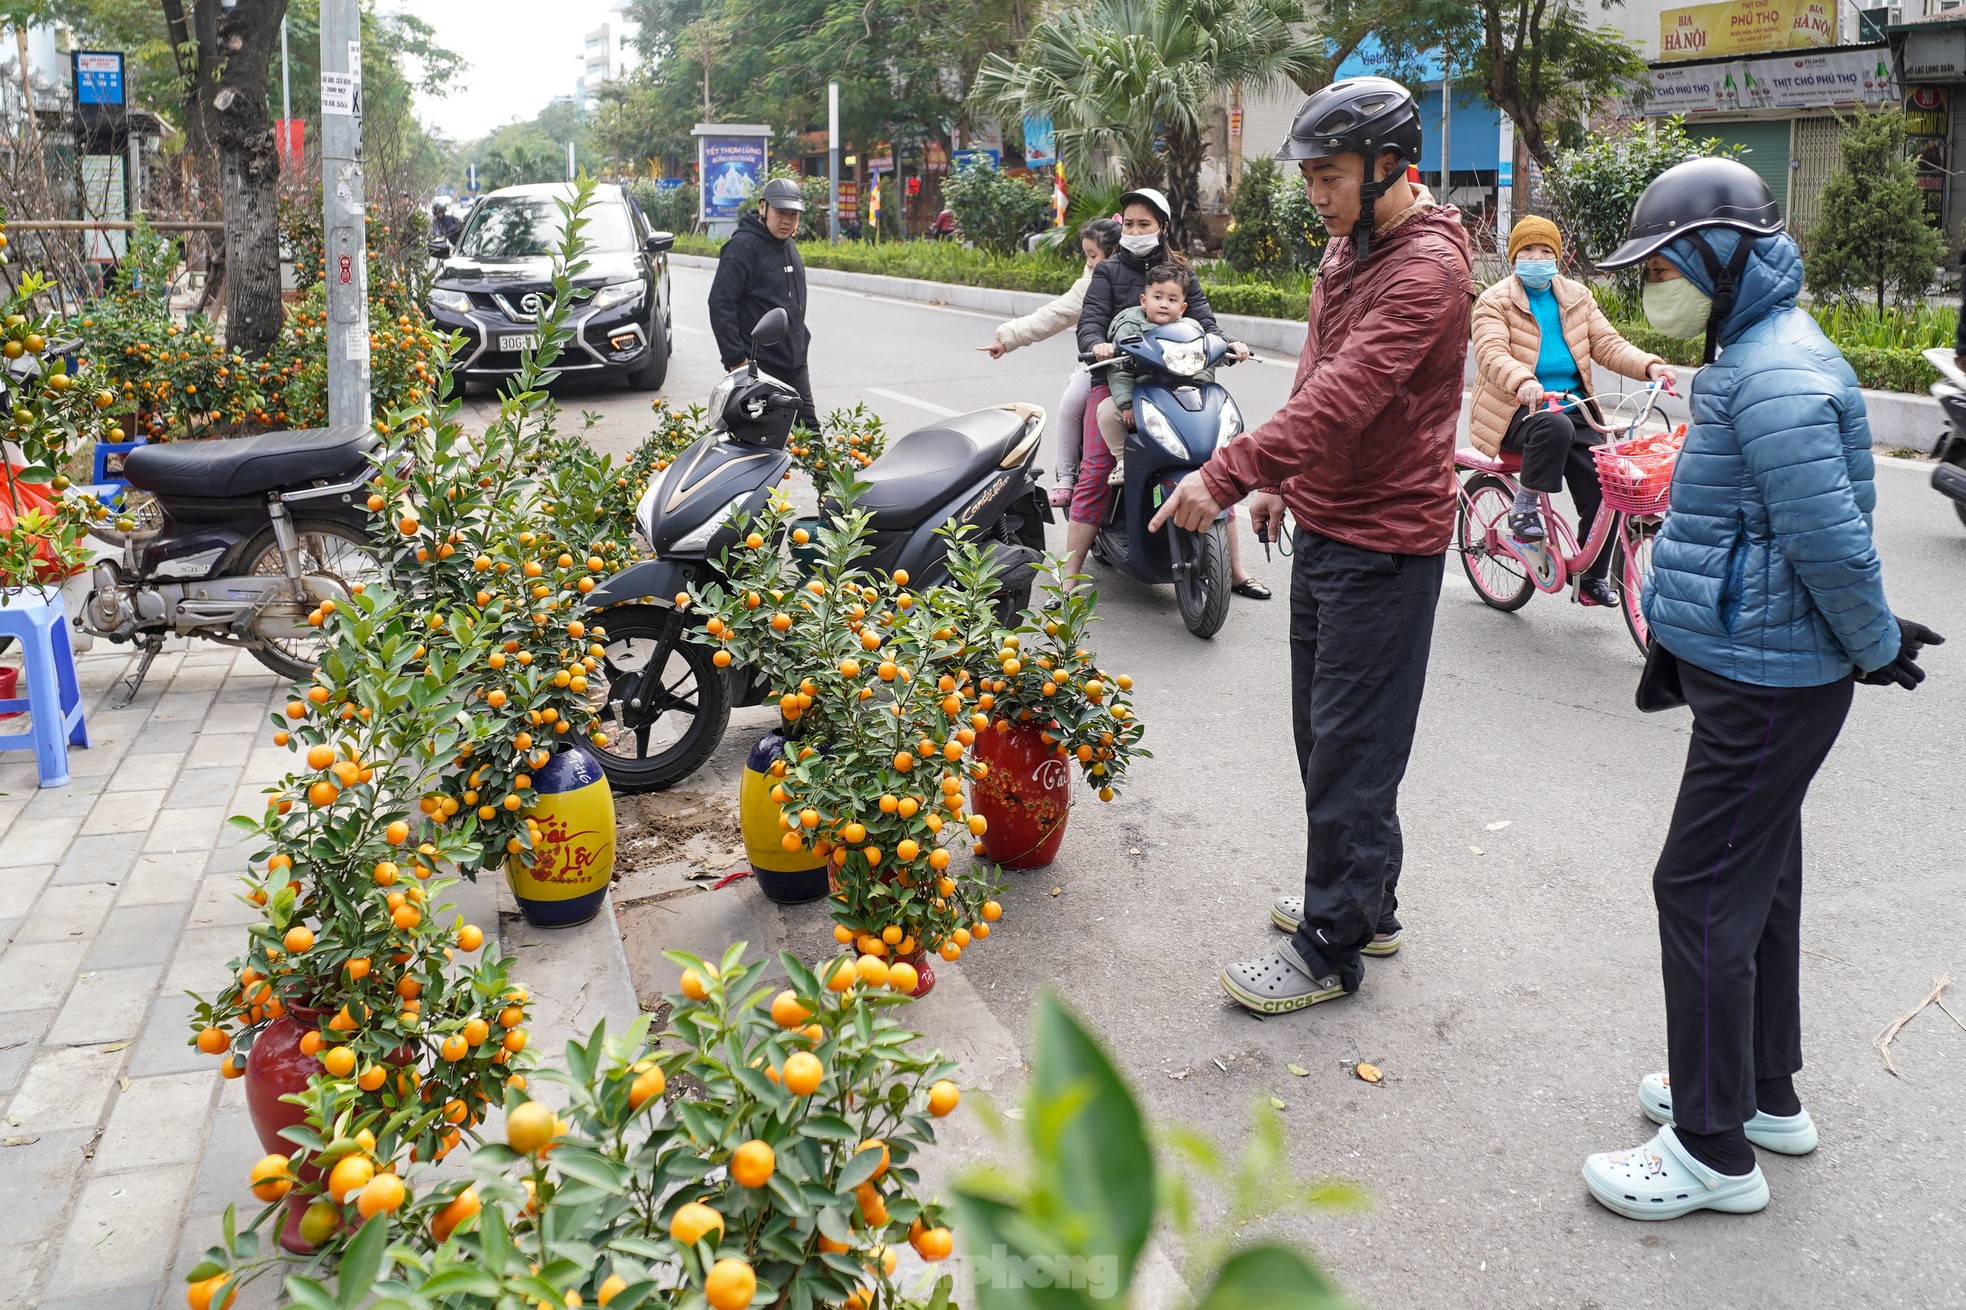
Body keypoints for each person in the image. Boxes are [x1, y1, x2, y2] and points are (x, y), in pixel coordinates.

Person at [1581, 156, 1943, 1221]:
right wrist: (1864, 639)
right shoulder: (1754, 349)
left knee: (1694, 889)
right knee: (1760, 881)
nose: (1654, 288)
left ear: (1726, 256)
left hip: (1769, 679)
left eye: (1664, 266)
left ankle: (1707, 1149)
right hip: (1765, 668)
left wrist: (1872, 641)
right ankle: (1761, 1093)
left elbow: (1827, 536)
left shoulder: (1771, 369)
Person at [1149, 76, 1474, 1013]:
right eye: (1310, 176)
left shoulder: (1426, 272)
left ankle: (1330, 948)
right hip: (1330, 522)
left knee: (1351, 751)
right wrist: (1283, 482)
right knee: (1327, 741)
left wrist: (1228, 472)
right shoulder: (1348, 249)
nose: (1314, 193)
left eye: (1328, 176)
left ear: (1388, 168)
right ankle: (1367, 904)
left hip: (1387, 541)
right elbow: (1315, 375)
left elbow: (1349, 395)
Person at [1067, 188, 1266, 599]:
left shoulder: (1182, 272)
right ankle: (1068, 578)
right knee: (1096, 471)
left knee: (1213, 464)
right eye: (1130, 224)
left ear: (1162, 227)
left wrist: (1230, 344)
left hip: (1177, 383)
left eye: (1145, 224)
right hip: (1117, 381)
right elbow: (1090, 322)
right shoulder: (1108, 272)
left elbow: (1206, 322)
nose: (1136, 231)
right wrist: (1098, 345)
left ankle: (1237, 572)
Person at [1468, 215, 1675, 607]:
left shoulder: (1577, 296)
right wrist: (1522, 380)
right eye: (1527, 250)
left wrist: (1650, 365)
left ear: (1558, 257)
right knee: (1555, 426)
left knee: (1609, 488)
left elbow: (1608, 344)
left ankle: (1592, 575)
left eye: (1545, 250)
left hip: (1574, 407)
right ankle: (1524, 508)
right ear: (1514, 256)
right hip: (1516, 408)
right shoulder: (1494, 301)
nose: (1536, 257)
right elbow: (1491, 352)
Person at [977, 219, 1121, 505]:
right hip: (1097, 365)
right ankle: (1067, 478)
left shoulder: (1147, 272)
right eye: (1087, 256)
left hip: (1144, 363)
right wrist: (1008, 338)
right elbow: (1052, 316)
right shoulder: (1088, 285)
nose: (1090, 262)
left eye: (1093, 255)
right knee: (1070, 404)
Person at [1095, 263, 1229, 485]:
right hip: (1142, 394)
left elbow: (1205, 361)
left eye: (1172, 300)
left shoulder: (1192, 329)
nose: (1164, 304)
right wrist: (1126, 402)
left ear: (1183, 307)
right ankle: (1122, 461)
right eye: (1158, 297)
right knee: (1106, 411)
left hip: (1180, 396)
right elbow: (1119, 370)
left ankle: (1210, 462)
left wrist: (1203, 389)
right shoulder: (1129, 326)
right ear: (1144, 301)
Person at [708, 177, 818, 431]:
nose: (787, 220)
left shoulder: (787, 244)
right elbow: (719, 303)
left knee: (809, 434)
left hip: (794, 364)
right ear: (763, 208)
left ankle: (828, 474)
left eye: (793, 214)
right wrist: (737, 361)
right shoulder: (742, 248)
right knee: (758, 440)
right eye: (780, 212)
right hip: (760, 371)